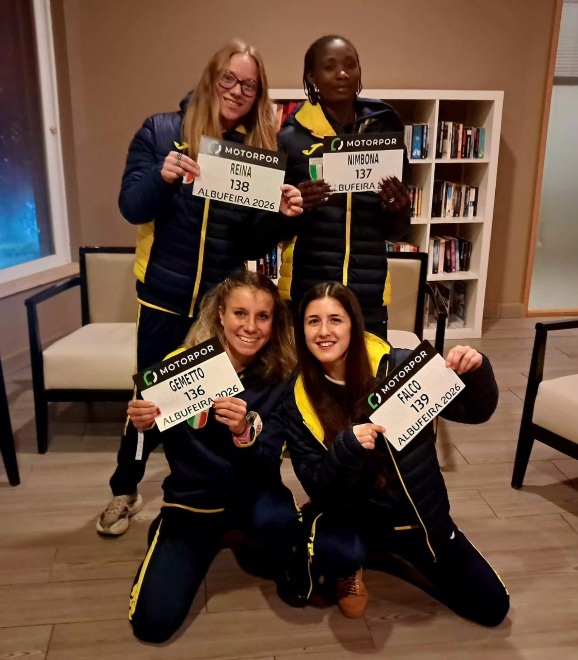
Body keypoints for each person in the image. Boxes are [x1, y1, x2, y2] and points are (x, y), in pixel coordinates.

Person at [97, 39, 303, 535]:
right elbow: (131, 207)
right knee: (149, 395)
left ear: (258, 95)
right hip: (164, 296)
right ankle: (125, 488)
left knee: (212, 397)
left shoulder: (258, 154)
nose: (236, 90)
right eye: (229, 78)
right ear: (212, 78)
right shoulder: (161, 130)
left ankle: (203, 491)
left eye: (249, 84)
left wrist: (282, 217)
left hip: (219, 305)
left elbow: (250, 240)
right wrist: (162, 177)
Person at [282, 282, 510, 625]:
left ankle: (404, 553)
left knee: (493, 608)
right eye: (313, 321)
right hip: (351, 514)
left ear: (354, 325)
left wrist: (476, 371)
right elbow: (315, 482)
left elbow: (476, 412)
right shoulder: (296, 397)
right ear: (301, 330)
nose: (324, 331)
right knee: (337, 549)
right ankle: (350, 567)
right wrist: (345, 448)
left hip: (417, 518)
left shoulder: (401, 365)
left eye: (335, 320)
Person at [127, 271, 309, 643]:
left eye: (263, 316)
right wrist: (142, 424)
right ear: (221, 314)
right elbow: (144, 438)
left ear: (274, 322)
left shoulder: (283, 375)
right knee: (152, 623)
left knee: (282, 525)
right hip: (192, 501)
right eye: (240, 313)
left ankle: (250, 536)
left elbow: (269, 457)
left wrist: (244, 432)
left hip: (254, 494)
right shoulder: (181, 365)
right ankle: (169, 530)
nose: (251, 327)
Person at [277, 35, 412, 339]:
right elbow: (271, 228)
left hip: (368, 295)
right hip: (308, 292)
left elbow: (397, 231)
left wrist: (399, 209)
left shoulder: (385, 130)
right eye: (329, 67)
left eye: (350, 65)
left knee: (369, 368)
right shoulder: (289, 138)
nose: (342, 74)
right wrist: (295, 209)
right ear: (312, 77)